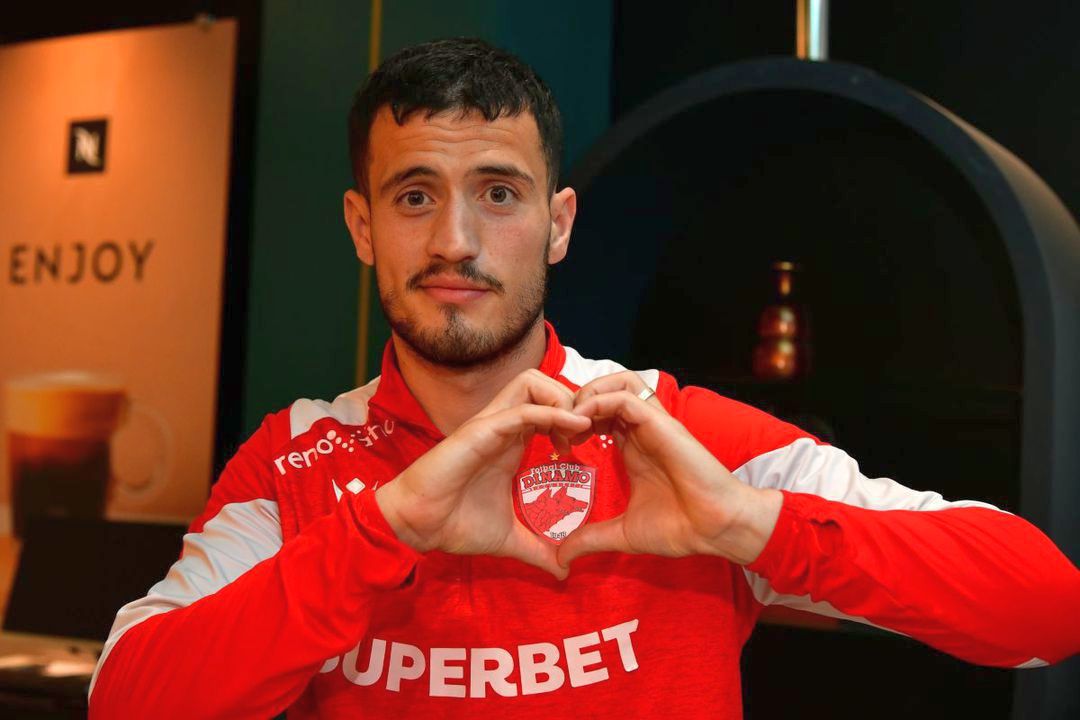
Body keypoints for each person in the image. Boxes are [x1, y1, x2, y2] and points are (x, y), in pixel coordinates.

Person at [87, 38, 1079, 719]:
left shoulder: (675, 438)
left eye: (499, 193)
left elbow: (1047, 611)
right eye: (415, 196)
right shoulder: (297, 460)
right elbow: (129, 699)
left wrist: (749, 527)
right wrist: (382, 533)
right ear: (361, 226)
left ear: (558, 224)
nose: (455, 240)